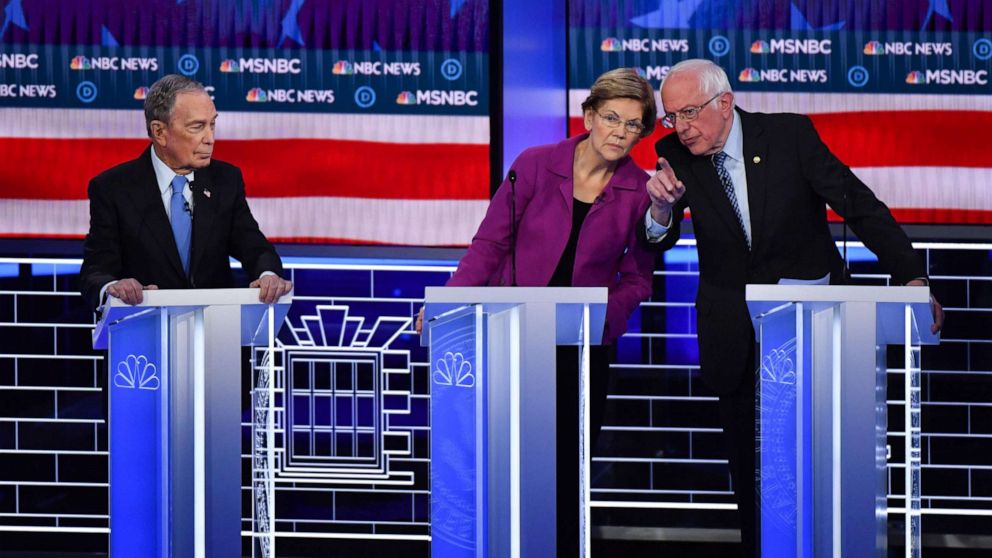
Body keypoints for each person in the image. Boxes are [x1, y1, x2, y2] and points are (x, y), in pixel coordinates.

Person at [642, 58, 944, 558]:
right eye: (672, 116)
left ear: (725, 102)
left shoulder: (788, 136)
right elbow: (657, 239)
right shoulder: (673, 152)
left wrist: (912, 276)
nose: (682, 127)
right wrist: (660, 209)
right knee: (754, 480)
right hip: (734, 336)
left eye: (690, 112)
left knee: (824, 465)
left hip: (817, 329)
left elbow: (859, 204)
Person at [417, 68, 658, 556]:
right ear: (589, 115)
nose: (620, 132)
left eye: (634, 125)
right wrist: (448, 303)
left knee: (569, 470)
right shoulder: (534, 164)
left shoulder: (640, 190)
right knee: (501, 459)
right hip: (512, 334)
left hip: (583, 346)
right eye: (612, 118)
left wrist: (606, 318)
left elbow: (638, 278)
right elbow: (490, 245)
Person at [79, 74, 292, 310]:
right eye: (197, 127)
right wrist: (114, 286)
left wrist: (267, 275)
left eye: (212, 124)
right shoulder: (113, 188)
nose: (210, 138)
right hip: (145, 332)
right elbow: (95, 271)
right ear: (160, 132)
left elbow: (254, 247)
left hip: (215, 331)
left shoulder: (225, 180)